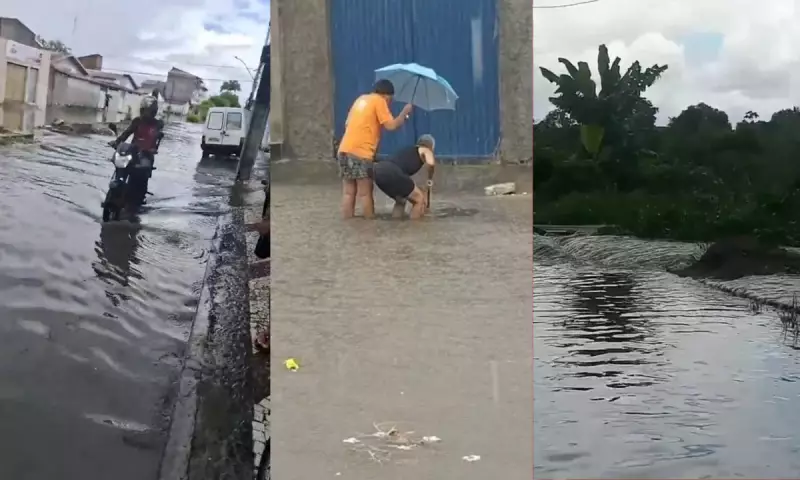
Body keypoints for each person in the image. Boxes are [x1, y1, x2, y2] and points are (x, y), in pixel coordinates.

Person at [336, 79, 413, 219]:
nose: (389, 103)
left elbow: (348, 124)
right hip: (360, 153)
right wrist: (404, 113)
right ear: (386, 95)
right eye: (390, 99)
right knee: (365, 192)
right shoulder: (379, 101)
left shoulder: (361, 100)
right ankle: (370, 225)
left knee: (348, 192)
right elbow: (391, 125)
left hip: (344, 150)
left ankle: (347, 224)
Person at [109, 96, 164, 204]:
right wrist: (117, 142)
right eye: (143, 110)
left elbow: (156, 138)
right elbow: (127, 133)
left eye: (147, 110)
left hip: (147, 154)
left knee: (143, 173)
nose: (144, 113)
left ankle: (141, 195)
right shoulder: (137, 121)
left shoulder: (157, 124)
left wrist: (154, 145)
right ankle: (119, 184)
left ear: (153, 112)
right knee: (121, 164)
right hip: (133, 151)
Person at [373, 134, 437, 220]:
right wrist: (430, 178)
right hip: (392, 171)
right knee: (419, 200)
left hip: (378, 172)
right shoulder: (425, 149)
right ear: (431, 147)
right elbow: (431, 163)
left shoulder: (409, 151)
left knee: (401, 200)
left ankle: (396, 225)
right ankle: (415, 228)